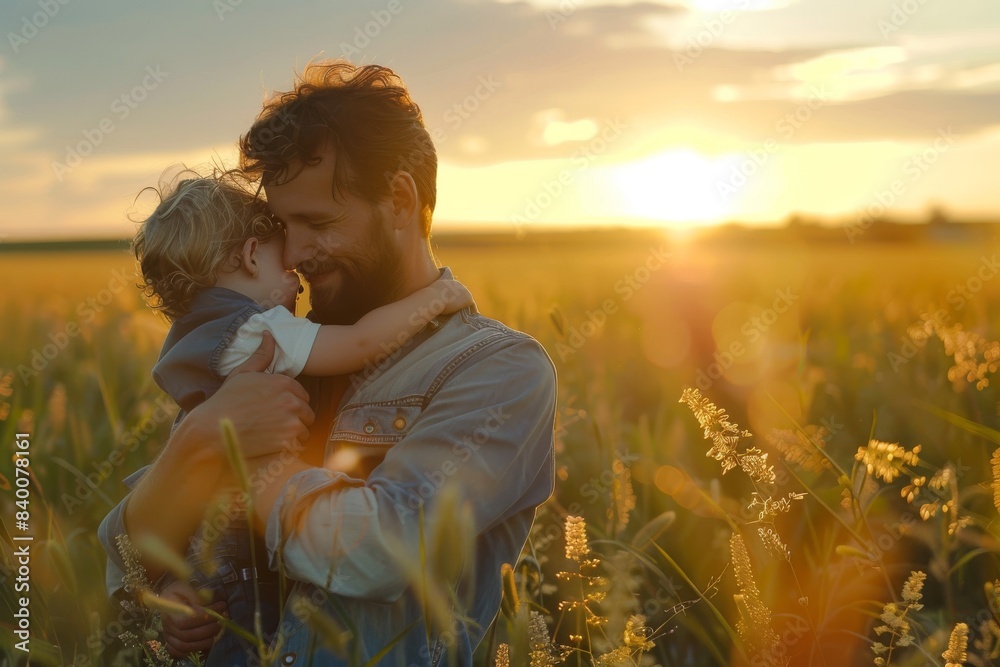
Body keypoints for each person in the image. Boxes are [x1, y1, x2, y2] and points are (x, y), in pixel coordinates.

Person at [98, 60, 557, 666]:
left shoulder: (497, 369)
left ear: (398, 199)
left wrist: (238, 458)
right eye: (282, 226)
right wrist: (164, 579)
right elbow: (126, 556)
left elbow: (379, 549)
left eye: (318, 222)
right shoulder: (271, 353)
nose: (296, 252)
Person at [126, 171, 474, 664]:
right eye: (281, 258)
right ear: (250, 256)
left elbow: (167, 494)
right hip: (246, 554)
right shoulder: (256, 329)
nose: (297, 269)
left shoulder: (196, 337)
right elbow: (358, 343)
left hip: (207, 547)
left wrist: (172, 580)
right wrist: (438, 298)